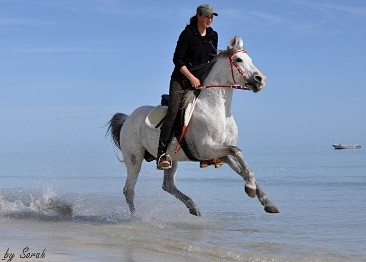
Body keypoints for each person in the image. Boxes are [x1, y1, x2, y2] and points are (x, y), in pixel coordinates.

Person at [157, 4, 221, 170]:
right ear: (199, 16)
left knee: (206, 113)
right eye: (207, 16)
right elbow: (177, 60)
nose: (210, 19)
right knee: (173, 112)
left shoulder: (213, 35)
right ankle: (162, 154)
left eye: (212, 16)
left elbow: (212, 60)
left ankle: (206, 155)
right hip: (181, 78)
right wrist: (191, 77)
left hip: (201, 81)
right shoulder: (187, 34)